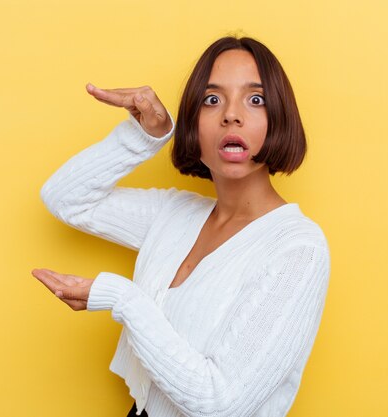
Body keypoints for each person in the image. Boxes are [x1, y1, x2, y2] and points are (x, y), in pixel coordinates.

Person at [32, 36, 331, 417]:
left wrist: (121, 298)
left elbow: (222, 403)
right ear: (194, 123)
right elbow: (65, 198)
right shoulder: (175, 214)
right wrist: (145, 136)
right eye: (212, 100)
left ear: (280, 120)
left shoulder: (298, 249)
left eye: (255, 100)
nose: (231, 115)